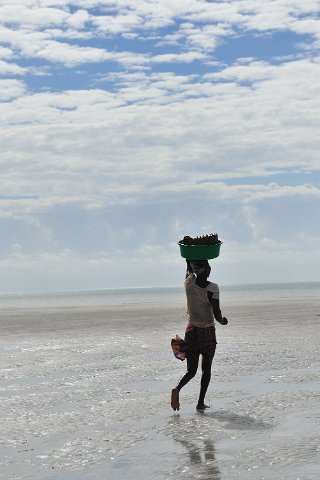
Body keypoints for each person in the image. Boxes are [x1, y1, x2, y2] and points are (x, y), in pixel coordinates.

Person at [171, 259, 228, 411]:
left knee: (191, 371)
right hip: (207, 332)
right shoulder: (213, 288)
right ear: (207, 270)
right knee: (206, 369)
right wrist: (223, 321)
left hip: (191, 331)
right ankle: (200, 403)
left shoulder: (188, 284)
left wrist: (188, 261)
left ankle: (177, 389)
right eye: (209, 267)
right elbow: (217, 314)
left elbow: (188, 273)